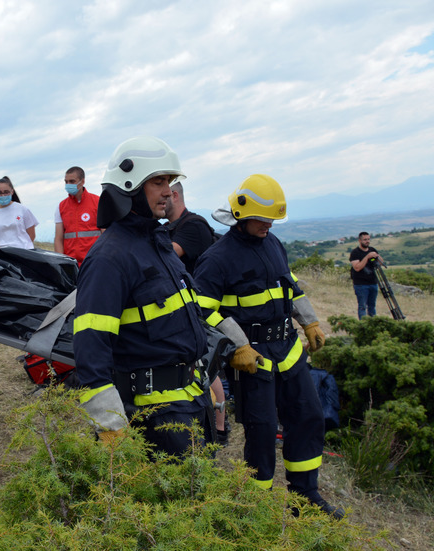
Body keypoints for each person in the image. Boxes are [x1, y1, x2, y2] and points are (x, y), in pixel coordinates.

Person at [72, 136, 255, 458]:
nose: (168, 191)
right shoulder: (109, 258)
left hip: (193, 400)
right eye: (158, 181)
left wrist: (238, 341)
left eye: (169, 182)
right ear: (130, 186)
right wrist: (110, 422)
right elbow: (90, 345)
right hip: (154, 415)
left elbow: (194, 310)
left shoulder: (158, 245)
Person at [193, 174, 345, 519]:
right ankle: (254, 506)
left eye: (272, 220)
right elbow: (203, 312)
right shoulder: (217, 259)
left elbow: (290, 286)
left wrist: (310, 321)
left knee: (307, 417)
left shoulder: (273, 244)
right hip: (254, 359)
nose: (269, 225)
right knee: (261, 433)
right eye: (263, 219)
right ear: (242, 216)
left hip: (289, 351)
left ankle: (304, 497)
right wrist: (239, 347)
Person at [162, 181, 228, 443]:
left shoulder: (193, 225)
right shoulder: (169, 228)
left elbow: (169, 256)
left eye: (165, 193)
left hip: (201, 307)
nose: (161, 198)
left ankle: (220, 428)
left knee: (207, 367)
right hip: (184, 308)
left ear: (175, 195)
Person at [53, 166, 100, 266]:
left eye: (72, 181)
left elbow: (106, 234)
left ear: (82, 181)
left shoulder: (97, 202)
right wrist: (61, 262)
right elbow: (58, 238)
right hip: (71, 264)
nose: (68, 185)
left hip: (94, 262)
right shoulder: (61, 206)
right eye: (66, 182)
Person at [0, 176, 39, 249]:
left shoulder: (22, 209)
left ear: (12, 192)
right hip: (3, 255)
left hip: (23, 252)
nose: (3, 195)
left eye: (6, 192)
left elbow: (32, 235)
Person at [349, 232, 383, 319]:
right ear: (359, 240)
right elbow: (357, 267)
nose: (367, 241)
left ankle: (372, 323)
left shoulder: (372, 249)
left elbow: (381, 263)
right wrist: (367, 257)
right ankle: (363, 325)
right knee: (362, 306)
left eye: (368, 239)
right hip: (361, 284)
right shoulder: (355, 253)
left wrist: (377, 256)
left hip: (373, 282)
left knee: (372, 306)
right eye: (365, 240)